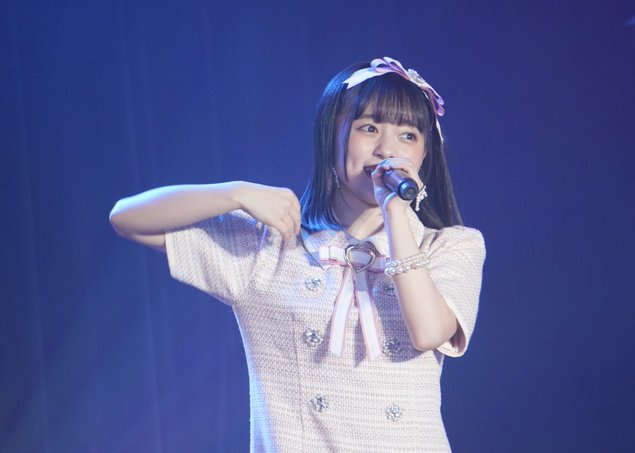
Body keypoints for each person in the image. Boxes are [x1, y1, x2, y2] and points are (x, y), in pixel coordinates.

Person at [110, 56, 485, 452]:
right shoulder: (273, 245)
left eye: (408, 135)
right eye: (369, 128)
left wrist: (395, 213)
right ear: (331, 137)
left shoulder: (450, 246)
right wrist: (235, 193)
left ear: (425, 154)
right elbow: (128, 218)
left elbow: (429, 333)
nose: (387, 149)